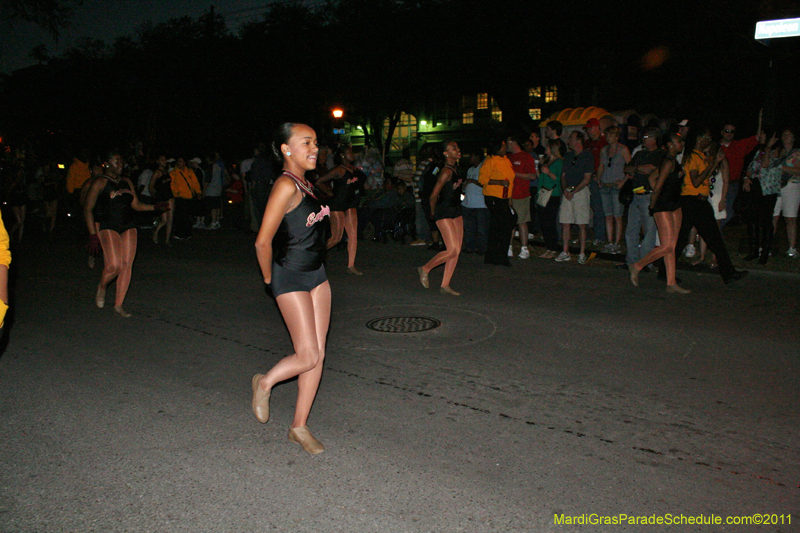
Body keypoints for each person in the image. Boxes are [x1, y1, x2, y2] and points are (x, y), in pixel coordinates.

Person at [252, 123, 331, 455]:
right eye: (306, 142)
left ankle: (298, 426)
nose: (315, 148)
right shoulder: (285, 186)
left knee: (318, 357)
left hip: (318, 276)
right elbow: (262, 241)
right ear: (286, 149)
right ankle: (265, 382)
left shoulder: (307, 184)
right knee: (307, 354)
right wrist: (272, 281)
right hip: (290, 276)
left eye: (315, 142)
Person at [84, 150, 163, 317]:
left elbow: (136, 205)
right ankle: (102, 286)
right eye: (116, 161)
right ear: (106, 163)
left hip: (129, 226)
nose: (120, 164)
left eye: (121, 161)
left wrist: (155, 207)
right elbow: (88, 209)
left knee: (127, 265)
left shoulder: (127, 181)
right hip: (109, 226)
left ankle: (118, 305)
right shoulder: (99, 182)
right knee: (114, 266)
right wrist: (93, 235)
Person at [675, 127, 748, 285]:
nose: (710, 139)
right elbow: (696, 181)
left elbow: (705, 176)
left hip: (700, 201)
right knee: (683, 239)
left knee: (714, 239)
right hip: (692, 201)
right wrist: (714, 162)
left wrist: (714, 163)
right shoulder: (693, 157)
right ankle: (664, 270)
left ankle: (729, 273)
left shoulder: (700, 156)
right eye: (707, 136)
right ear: (700, 139)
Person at [628, 133, 689, 293]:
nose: (681, 143)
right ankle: (637, 266)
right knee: (667, 245)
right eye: (678, 141)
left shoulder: (671, 161)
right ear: (669, 144)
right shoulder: (668, 162)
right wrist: (654, 204)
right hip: (663, 206)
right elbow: (657, 185)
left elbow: (652, 178)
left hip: (675, 204)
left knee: (671, 246)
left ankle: (671, 282)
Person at [417, 140, 464, 295]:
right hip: (443, 212)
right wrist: (432, 213)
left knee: (456, 251)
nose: (458, 150)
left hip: (456, 211)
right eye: (454, 148)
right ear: (445, 153)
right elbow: (433, 195)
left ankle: (445, 285)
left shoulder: (456, 168)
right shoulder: (446, 171)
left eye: (457, 147)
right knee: (453, 249)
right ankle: (425, 268)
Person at [318, 144, 365, 275]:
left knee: (353, 234)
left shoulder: (353, 169)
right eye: (349, 152)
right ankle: (315, 255)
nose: (352, 155)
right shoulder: (338, 170)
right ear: (343, 155)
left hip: (350, 203)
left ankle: (351, 266)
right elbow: (319, 182)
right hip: (337, 205)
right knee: (336, 238)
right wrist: (330, 193)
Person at [623, 127, 664, 270]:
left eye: (646, 137)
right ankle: (632, 261)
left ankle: (645, 262)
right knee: (631, 230)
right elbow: (627, 168)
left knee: (649, 231)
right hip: (636, 195)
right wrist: (639, 168)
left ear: (654, 139)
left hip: (649, 194)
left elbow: (651, 169)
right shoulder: (639, 153)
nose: (643, 140)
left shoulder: (660, 154)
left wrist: (636, 168)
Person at [555, 131, 594, 264]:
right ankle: (565, 251)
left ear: (578, 141)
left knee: (582, 223)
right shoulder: (568, 155)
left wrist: (574, 191)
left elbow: (587, 179)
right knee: (565, 222)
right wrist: (566, 190)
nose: (568, 141)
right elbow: (563, 176)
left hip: (581, 192)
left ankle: (582, 253)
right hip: (568, 191)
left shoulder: (587, 156)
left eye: (570, 138)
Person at [478, 137, 515, 266]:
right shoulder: (490, 161)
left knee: (496, 227)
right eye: (503, 146)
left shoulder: (505, 159)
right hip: (494, 197)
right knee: (504, 227)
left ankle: (492, 256)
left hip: (504, 197)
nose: (505, 148)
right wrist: (499, 182)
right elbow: (482, 179)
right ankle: (501, 256)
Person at [765, 127, 800, 259]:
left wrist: (784, 168)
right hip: (775, 186)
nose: (786, 136)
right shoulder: (776, 152)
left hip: (792, 186)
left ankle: (792, 248)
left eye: (789, 134)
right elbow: (767, 165)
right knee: (773, 217)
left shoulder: (797, 153)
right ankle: (769, 246)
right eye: (784, 134)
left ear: (794, 137)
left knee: (790, 218)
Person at [596, 126, 630, 253]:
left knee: (617, 216)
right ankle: (609, 242)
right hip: (605, 186)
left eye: (610, 135)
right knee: (608, 216)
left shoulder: (623, 150)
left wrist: (623, 181)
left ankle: (616, 243)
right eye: (607, 135)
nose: (608, 138)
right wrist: (599, 180)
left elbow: (630, 167)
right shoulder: (604, 150)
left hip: (617, 187)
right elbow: (601, 166)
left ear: (616, 137)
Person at [506, 134, 537, 259]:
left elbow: (532, 176)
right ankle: (509, 246)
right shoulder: (507, 157)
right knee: (510, 222)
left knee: (522, 221)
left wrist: (516, 174)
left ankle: (524, 248)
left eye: (508, 141)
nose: (506, 144)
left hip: (521, 194)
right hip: (508, 195)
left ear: (514, 142)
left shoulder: (526, 157)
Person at [537, 139, 564, 258]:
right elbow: (541, 178)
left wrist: (548, 173)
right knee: (544, 222)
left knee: (550, 222)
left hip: (553, 194)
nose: (545, 148)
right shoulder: (546, 161)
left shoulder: (559, 162)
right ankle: (548, 247)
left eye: (547, 146)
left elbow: (560, 180)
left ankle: (553, 248)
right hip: (543, 193)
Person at [461, 150, 488, 255]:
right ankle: (470, 247)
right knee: (469, 227)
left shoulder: (483, 169)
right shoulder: (470, 169)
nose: (470, 158)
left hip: (480, 204)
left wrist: (471, 181)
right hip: (468, 203)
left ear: (477, 157)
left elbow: (486, 184)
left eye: (471, 156)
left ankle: (483, 248)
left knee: (482, 228)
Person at [149, 155, 174, 245]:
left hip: (169, 196)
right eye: (162, 160)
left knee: (170, 219)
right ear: (158, 161)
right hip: (161, 197)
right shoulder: (157, 173)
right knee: (164, 220)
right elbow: (150, 187)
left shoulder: (166, 171)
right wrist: (155, 197)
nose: (164, 161)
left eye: (165, 160)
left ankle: (167, 240)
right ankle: (155, 231)